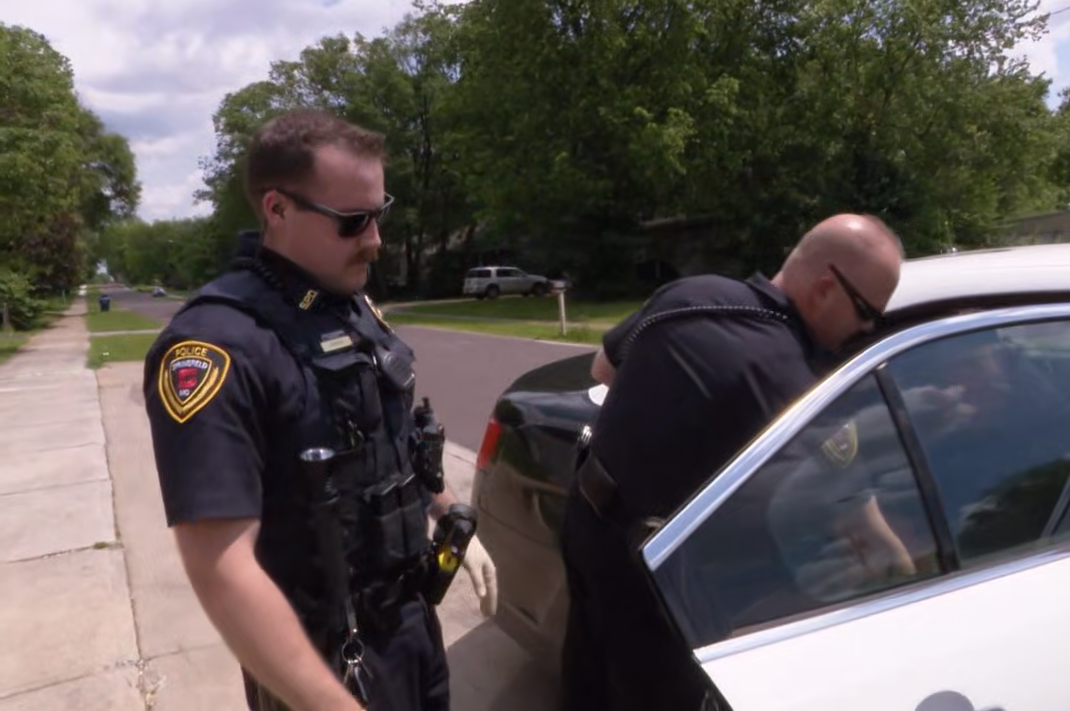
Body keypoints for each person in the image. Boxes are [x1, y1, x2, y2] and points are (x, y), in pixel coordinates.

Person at [142, 108, 497, 711]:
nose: (375, 240)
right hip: (321, 661)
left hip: (410, 625)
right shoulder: (216, 346)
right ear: (277, 209)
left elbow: (391, 437)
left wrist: (447, 512)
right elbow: (220, 568)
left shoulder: (350, 305)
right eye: (353, 221)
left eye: (380, 214)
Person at [560, 214, 908, 711]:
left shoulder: (692, 294)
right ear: (826, 288)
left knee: (585, 680)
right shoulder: (805, 390)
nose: (867, 329)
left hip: (586, 526)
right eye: (867, 313)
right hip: (657, 585)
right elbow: (864, 529)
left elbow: (603, 370)